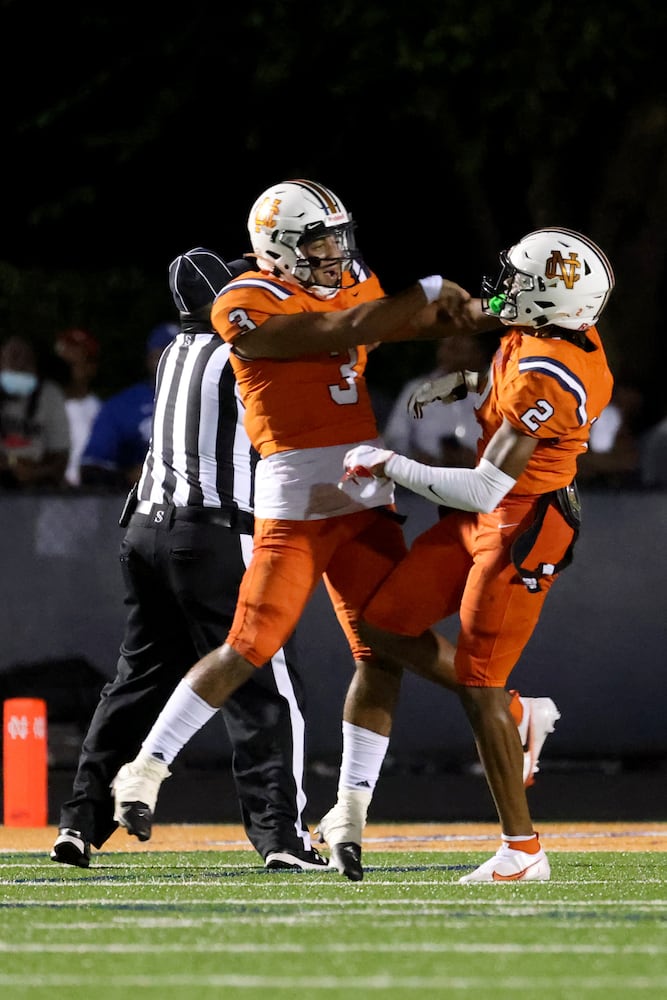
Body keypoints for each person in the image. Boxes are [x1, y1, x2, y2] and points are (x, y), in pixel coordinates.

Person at [109, 179, 558, 882]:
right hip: (292, 504)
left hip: (361, 498)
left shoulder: (351, 279)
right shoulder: (243, 301)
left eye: (335, 239)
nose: (333, 254)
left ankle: (350, 809)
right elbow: (340, 330)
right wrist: (429, 288)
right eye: (317, 241)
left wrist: (498, 309)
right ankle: (145, 770)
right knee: (250, 642)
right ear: (277, 247)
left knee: (380, 646)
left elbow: (414, 322)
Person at [336, 227, 615, 883]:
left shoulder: (550, 374)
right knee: (382, 621)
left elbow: (487, 483)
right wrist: (465, 380)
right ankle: (521, 715)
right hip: (485, 515)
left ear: (550, 301)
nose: (503, 292)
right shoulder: (557, 331)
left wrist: (390, 463)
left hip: (520, 523)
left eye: (519, 283)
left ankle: (522, 851)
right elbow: (506, 349)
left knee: (478, 685)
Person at [51, 247, 328, 871]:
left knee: (134, 685)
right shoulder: (241, 351)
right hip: (210, 533)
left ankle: (79, 823)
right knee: (265, 686)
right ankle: (281, 836)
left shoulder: (174, 353)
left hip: (145, 531)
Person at [79, 322, 178, 490]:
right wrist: (130, 476)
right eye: (162, 354)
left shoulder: (218, 401)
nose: (173, 362)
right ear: (149, 359)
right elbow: (91, 469)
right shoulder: (124, 405)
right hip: (138, 504)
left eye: (180, 355)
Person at [382, 335, 497, 469]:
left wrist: (481, 461)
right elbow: (394, 438)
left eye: (461, 337)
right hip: (421, 481)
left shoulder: (502, 393)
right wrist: (415, 458)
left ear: (481, 350)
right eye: (446, 337)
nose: (450, 343)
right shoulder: (418, 390)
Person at [0, 334, 70, 489]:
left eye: (25, 361)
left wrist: (33, 472)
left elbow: (60, 459)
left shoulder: (50, 395)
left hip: (37, 491)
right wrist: (13, 462)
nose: (18, 364)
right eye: (12, 358)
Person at [53, 327, 103, 488]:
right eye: (63, 360)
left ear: (91, 367)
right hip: (39, 497)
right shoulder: (40, 405)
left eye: (73, 361)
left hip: (84, 499)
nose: (66, 367)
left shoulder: (100, 412)